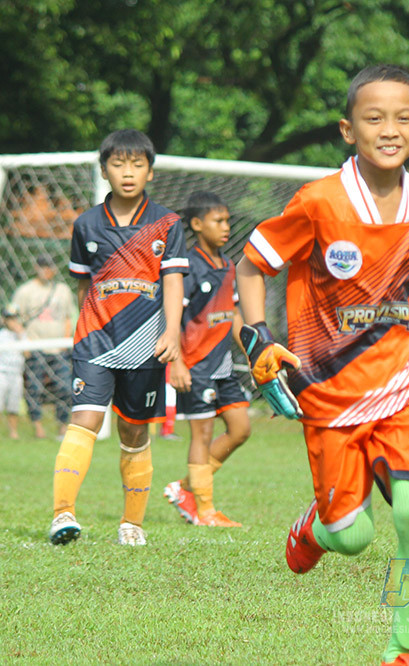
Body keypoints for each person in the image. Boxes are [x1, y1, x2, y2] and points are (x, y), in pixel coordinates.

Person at [235, 64, 409, 666]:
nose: (390, 129)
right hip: (327, 387)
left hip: (406, 374)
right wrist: (258, 340)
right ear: (347, 129)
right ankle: (315, 527)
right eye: (374, 118)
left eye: (403, 118)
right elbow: (252, 266)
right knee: (353, 536)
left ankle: (404, 650)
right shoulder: (318, 202)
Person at [48, 129, 188, 547]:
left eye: (137, 164)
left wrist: (173, 332)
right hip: (95, 342)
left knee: (134, 433)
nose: (128, 173)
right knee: (85, 419)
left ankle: (132, 523)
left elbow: (173, 281)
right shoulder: (86, 224)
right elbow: (83, 286)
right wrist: (85, 326)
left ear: (150, 171)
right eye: (119, 164)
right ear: (104, 169)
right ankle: (62, 514)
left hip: (146, 346)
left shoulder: (168, 223)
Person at [163, 191, 250, 527]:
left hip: (222, 365)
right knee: (201, 434)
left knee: (240, 429)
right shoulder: (187, 267)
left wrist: (254, 352)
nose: (226, 227)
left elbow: (234, 314)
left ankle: (185, 488)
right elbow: (171, 319)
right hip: (195, 364)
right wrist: (177, 363)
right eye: (218, 221)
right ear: (198, 224)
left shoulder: (228, 265)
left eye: (227, 220)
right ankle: (205, 511)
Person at [8, 254, 76, 439]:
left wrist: (65, 341)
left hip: (58, 347)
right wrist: (24, 340)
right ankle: (37, 426)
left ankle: (62, 425)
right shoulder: (25, 291)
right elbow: (11, 316)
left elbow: (68, 317)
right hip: (35, 346)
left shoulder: (62, 290)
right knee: (34, 388)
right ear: (36, 268)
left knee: (65, 387)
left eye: (49, 267)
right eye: (42, 266)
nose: (46, 270)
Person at [0, 310, 25, 440]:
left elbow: (27, 353)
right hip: (1, 372)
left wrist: (21, 334)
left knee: (14, 404)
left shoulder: (22, 335)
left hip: (17, 373)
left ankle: (13, 432)